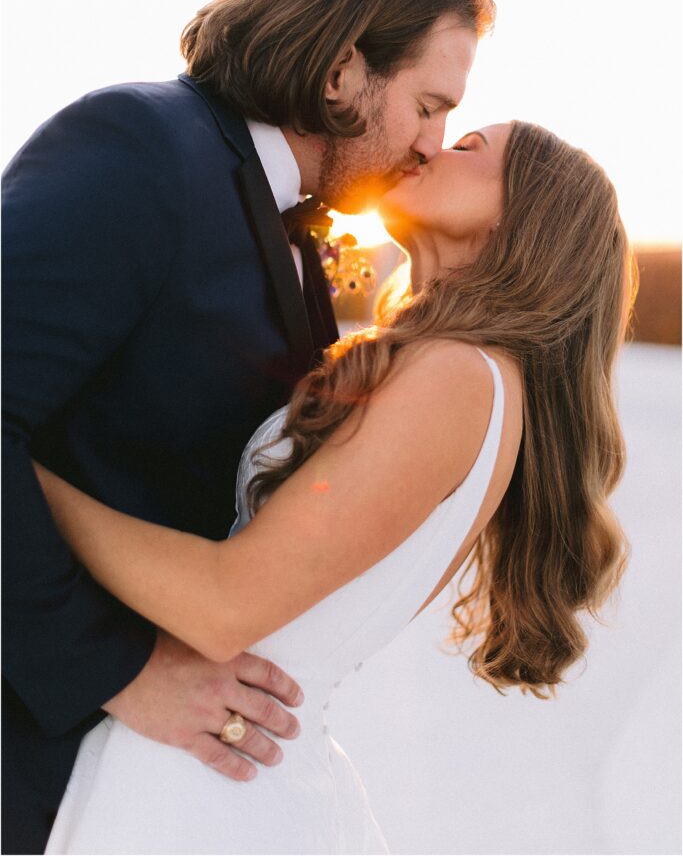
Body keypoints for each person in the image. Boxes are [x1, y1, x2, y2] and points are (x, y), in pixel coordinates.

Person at [1, 0, 495, 854]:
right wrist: (119, 672)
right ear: (344, 69)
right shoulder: (140, 147)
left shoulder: (289, 229)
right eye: (429, 105)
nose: (434, 141)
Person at [33, 121, 633, 855]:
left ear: (524, 215)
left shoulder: (457, 376)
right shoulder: (462, 372)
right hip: (219, 760)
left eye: (469, 147)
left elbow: (224, 608)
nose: (430, 145)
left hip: (203, 788)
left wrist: (27, 481)